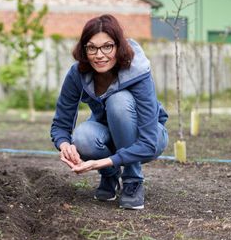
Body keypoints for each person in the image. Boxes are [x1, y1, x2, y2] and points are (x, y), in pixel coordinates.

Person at [50, 14, 168, 210]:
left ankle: (132, 180)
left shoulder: (137, 72)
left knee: (118, 100)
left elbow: (148, 143)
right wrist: (64, 145)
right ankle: (111, 176)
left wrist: (98, 163)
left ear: (118, 46)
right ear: (84, 49)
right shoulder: (77, 74)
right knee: (82, 137)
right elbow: (61, 125)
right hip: (108, 134)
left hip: (149, 138)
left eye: (107, 46)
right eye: (92, 47)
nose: (99, 55)